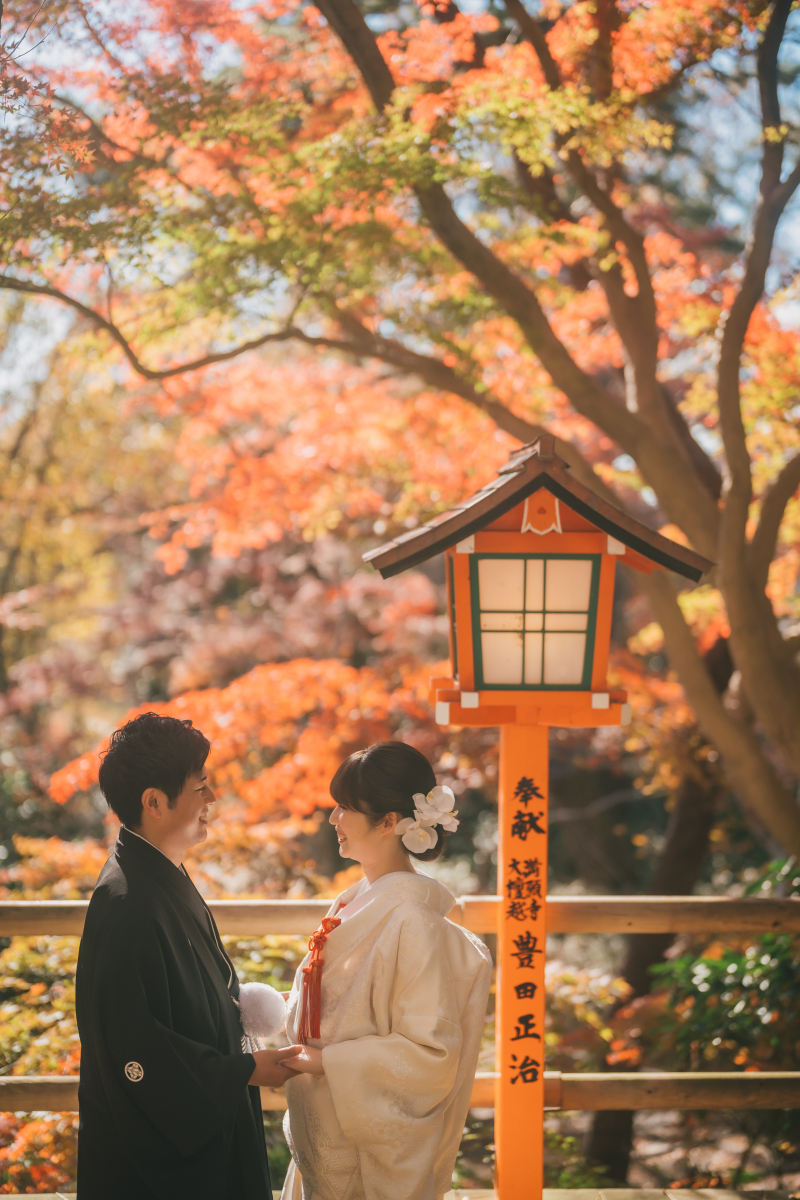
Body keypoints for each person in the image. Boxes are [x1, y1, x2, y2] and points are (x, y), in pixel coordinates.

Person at [75, 712, 298, 1200]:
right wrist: (242, 1070)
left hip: (205, 1123)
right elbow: (134, 1046)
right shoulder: (125, 902)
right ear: (154, 802)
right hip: (156, 1164)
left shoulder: (157, 875)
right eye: (200, 788)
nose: (212, 798)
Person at [278, 740, 493, 1200]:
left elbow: (430, 1053)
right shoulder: (356, 900)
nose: (333, 819)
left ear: (390, 821)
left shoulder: (413, 919)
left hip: (361, 1149)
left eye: (345, 807)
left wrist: (327, 1061)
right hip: (325, 1122)